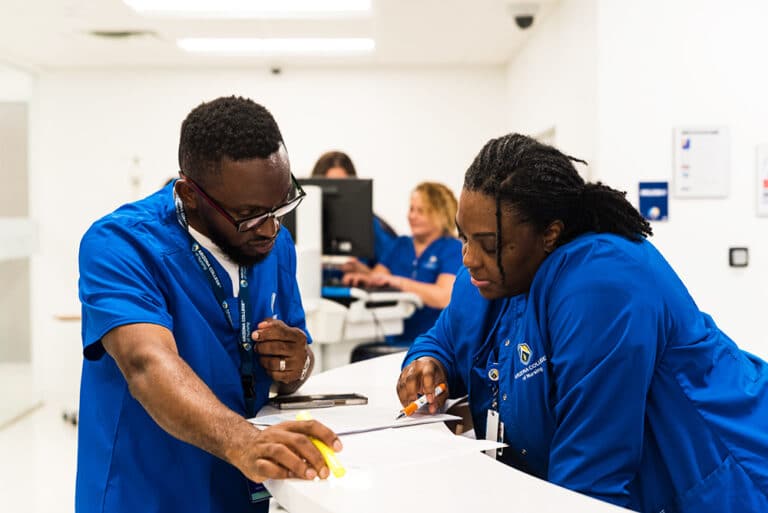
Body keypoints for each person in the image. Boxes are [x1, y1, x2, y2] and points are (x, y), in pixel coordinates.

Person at [396, 133, 768, 513]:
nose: (470, 258)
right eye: (463, 238)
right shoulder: (488, 278)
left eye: (489, 245)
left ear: (550, 234)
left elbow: (590, 479)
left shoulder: (600, 283)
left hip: (730, 482)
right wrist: (427, 363)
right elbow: (443, 339)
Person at [76, 96, 342, 513]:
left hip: (241, 487)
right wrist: (243, 440)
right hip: (147, 492)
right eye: (251, 214)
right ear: (190, 194)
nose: (271, 228)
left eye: (282, 205)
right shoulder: (120, 245)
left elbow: (295, 369)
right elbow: (146, 363)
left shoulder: (276, 245)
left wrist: (296, 363)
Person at [344, 182, 463, 352]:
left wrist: (399, 282)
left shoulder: (452, 248)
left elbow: (444, 296)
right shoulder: (401, 245)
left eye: (420, 211)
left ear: (440, 215)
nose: (412, 216)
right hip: (393, 336)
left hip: (433, 343)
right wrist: (362, 274)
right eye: (411, 209)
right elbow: (379, 277)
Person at [311, 150, 398, 265]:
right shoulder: (305, 223)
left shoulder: (370, 225)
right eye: (330, 184)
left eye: (342, 185)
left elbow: (393, 266)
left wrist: (364, 273)